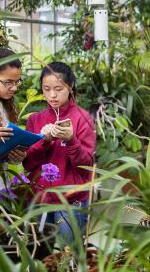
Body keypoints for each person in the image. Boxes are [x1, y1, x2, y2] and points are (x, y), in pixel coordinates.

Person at [23, 62, 96, 247]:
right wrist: (44, 141)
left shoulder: (82, 118)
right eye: (46, 89)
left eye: (58, 89)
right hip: (39, 199)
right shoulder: (35, 119)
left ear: (70, 87)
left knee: (68, 255)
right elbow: (28, 164)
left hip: (72, 201)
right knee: (38, 253)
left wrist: (71, 140)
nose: (52, 95)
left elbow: (86, 166)